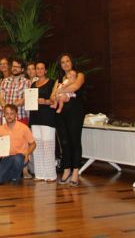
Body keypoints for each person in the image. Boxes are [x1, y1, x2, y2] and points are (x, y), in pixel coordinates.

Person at [51, 53, 86, 186]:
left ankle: (75, 171)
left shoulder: (79, 75)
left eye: (67, 61)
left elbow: (75, 87)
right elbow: (52, 96)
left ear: (72, 62)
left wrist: (59, 92)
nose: (65, 64)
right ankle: (66, 170)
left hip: (75, 112)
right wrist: (57, 94)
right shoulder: (59, 79)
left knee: (74, 141)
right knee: (64, 142)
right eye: (62, 62)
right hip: (61, 114)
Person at [0, 104, 36, 185]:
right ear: (4, 115)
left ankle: (15, 178)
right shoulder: (1, 129)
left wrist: (27, 153)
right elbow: (0, 146)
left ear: (16, 114)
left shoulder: (24, 128)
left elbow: (33, 144)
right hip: (7, 158)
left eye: (11, 113)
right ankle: (13, 175)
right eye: (7, 113)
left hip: (20, 157)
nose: (9, 116)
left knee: (17, 158)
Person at [29, 61, 56, 182]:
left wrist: (44, 101)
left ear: (45, 71)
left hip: (47, 118)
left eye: (41, 69)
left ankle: (50, 174)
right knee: (38, 146)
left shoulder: (52, 83)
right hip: (35, 118)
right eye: (37, 68)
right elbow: (30, 101)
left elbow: (54, 100)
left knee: (48, 145)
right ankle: (39, 174)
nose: (39, 70)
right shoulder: (33, 84)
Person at [0, 59, 31, 125]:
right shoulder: (5, 81)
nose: (14, 68)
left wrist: (9, 107)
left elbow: (24, 100)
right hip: (5, 117)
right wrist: (7, 109)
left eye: (17, 67)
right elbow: (0, 98)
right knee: (5, 135)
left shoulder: (27, 82)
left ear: (22, 69)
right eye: (13, 66)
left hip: (20, 117)